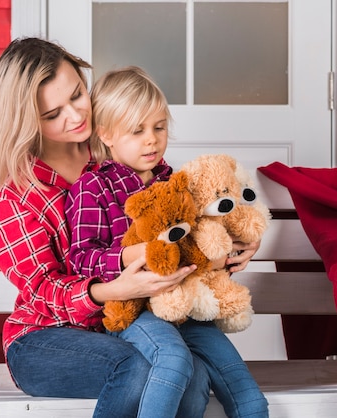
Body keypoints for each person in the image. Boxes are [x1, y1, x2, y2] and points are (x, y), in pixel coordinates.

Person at [0, 37, 262, 418]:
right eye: (52, 115)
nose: (76, 116)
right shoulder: (10, 192)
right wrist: (111, 289)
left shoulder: (116, 147)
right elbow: (42, 288)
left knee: (191, 375)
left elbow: (173, 220)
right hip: (45, 339)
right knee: (139, 369)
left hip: (130, 323)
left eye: (78, 95)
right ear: (26, 120)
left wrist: (233, 242)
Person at [64, 65, 268, 418]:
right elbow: (82, 259)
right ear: (107, 134)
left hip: (187, 308)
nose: (152, 139)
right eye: (137, 130)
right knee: (175, 364)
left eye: (159, 127)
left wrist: (240, 243)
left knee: (245, 391)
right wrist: (134, 255)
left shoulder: (177, 182)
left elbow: (205, 237)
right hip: (133, 314)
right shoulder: (93, 187)